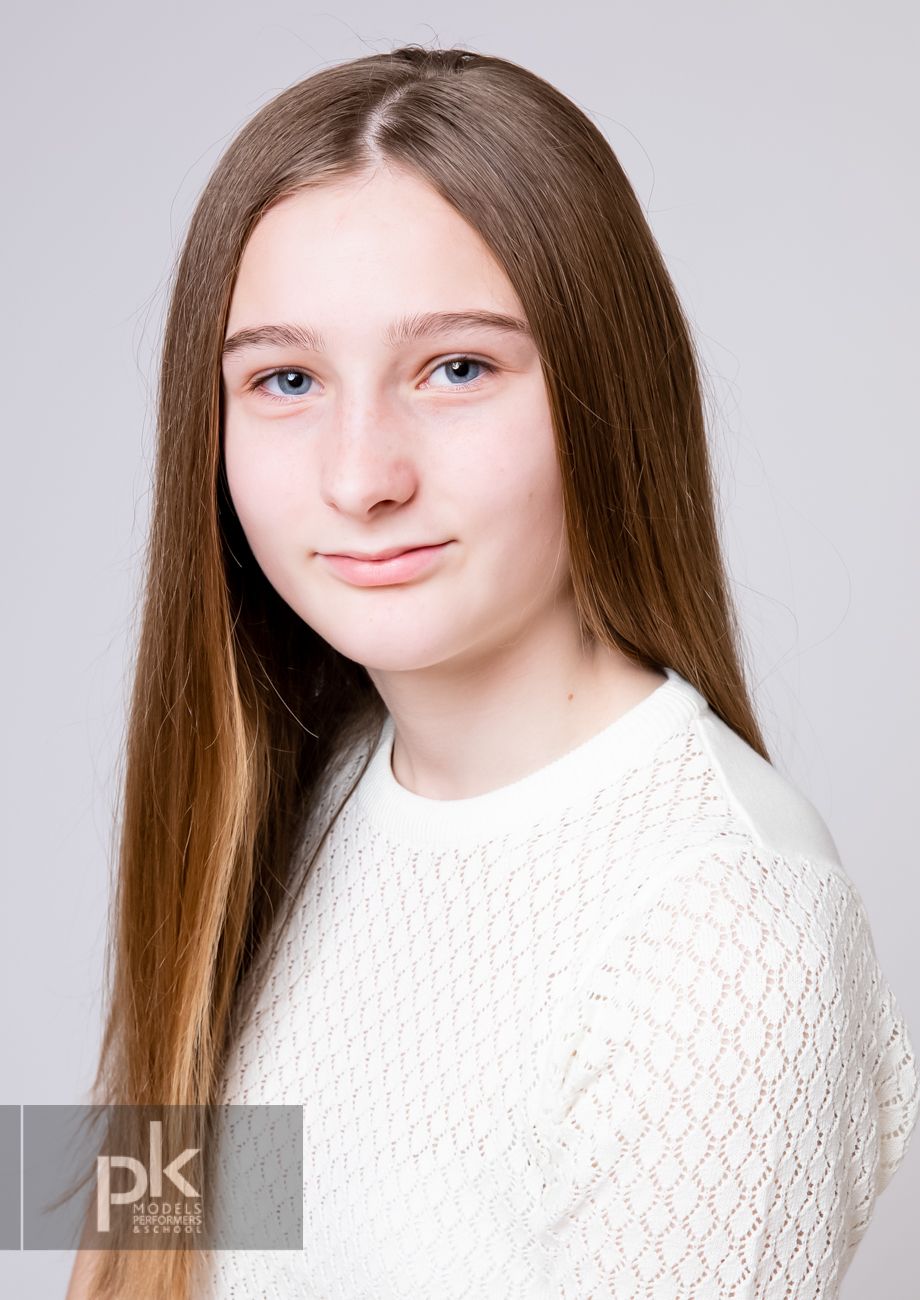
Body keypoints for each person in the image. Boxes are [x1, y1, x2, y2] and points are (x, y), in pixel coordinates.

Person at [68, 46, 918, 1300]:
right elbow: (158, 1253)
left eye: (456, 368)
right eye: (286, 379)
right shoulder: (287, 795)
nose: (361, 476)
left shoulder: (725, 940)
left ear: (606, 391)